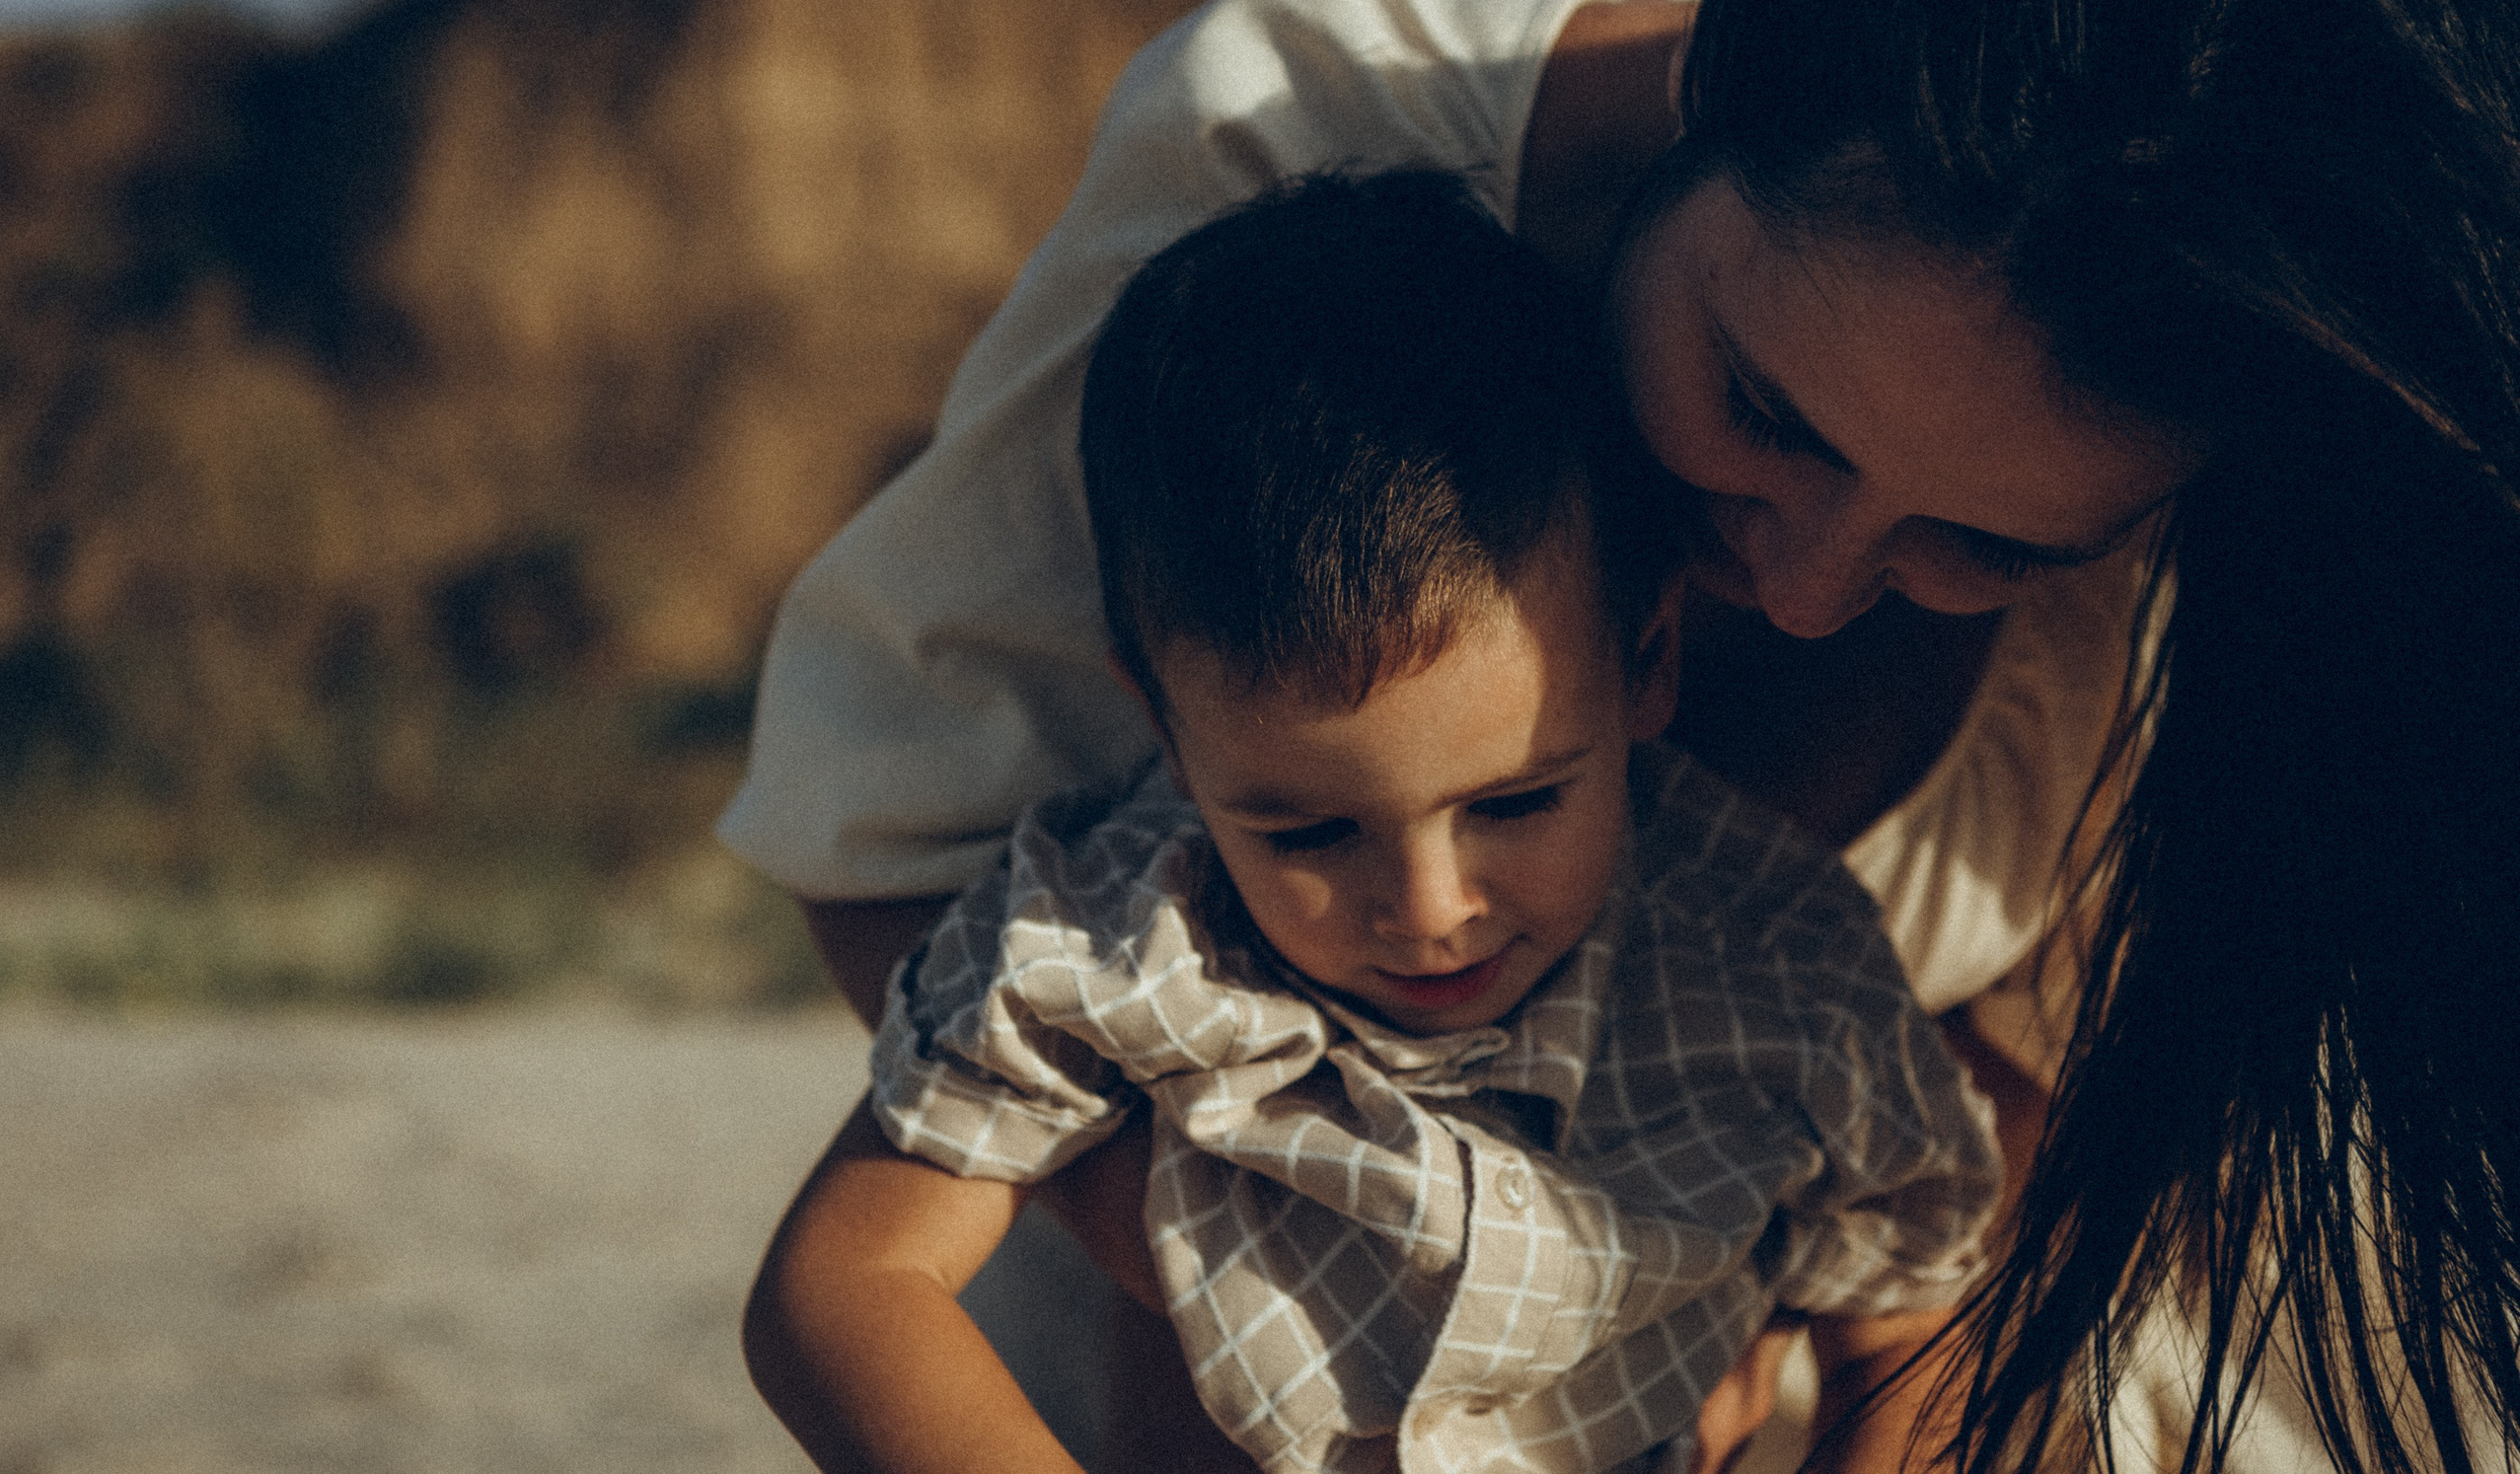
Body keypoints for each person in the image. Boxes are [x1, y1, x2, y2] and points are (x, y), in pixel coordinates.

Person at [735, 0, 2520, 1468]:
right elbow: (907, 832)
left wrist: (1696, 1316)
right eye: (1766, 411)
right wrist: (1440, 1291)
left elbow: (2000, 1204)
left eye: (1986, 539)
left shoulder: (2211, 569)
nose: (1811, 589)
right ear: (1710, 98)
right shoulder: (1312, 159)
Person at [757, 170, 2005, 1474]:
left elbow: (1914, 1329)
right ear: (1169, 733)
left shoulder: (1781, 967)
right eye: (1306, 833)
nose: (1428, 907)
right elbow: (846, 1285)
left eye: (1516, 802)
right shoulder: (1122, 934)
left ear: (1648, 663)